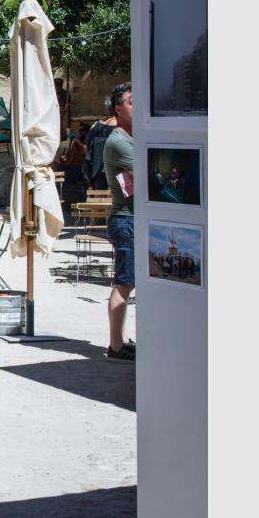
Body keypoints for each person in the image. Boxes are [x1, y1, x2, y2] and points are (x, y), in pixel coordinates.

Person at [102, 82, 136, 363]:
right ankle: (115, 345)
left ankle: (122, 340)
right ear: (118, 109)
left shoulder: (133, 137)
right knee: (124, 284)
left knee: (130, 283)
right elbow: (146, 175)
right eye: (132, 102)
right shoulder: (120, 142)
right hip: (127, 220)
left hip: (134, 219)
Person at [60, 124, 90, 219]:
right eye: (80, 130)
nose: (81, 132)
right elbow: (68, 155)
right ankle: (68, 203)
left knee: (69, 180)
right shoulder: (75, 143)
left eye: (83, 130)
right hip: (70, 167)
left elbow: (86, 152)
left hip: (80, 169)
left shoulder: (86, 142)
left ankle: (72, 203)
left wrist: (79, 143)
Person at [82, 116, 115, 192]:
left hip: (97, 169)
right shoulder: (122, 124)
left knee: (99, 197)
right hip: (116, 169)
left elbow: (85, 147)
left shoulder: (96, 125)